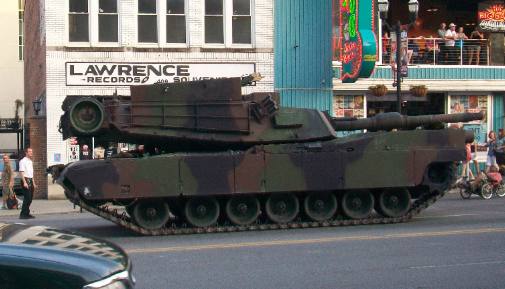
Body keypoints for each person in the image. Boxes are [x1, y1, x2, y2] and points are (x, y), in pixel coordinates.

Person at [19, 147, 36, 219]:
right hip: (25, 180)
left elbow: (31, 173)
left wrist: (34, 183)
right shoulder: (22, 161)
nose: (31, 153)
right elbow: (21, 172)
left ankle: (27, 213)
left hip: (30, 180)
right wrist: (24, 182)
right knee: (27, 198)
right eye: (30, 151)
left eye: (31, 151)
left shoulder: (30, 161)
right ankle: (23, 214)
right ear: (26, 153)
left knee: (30, 198)